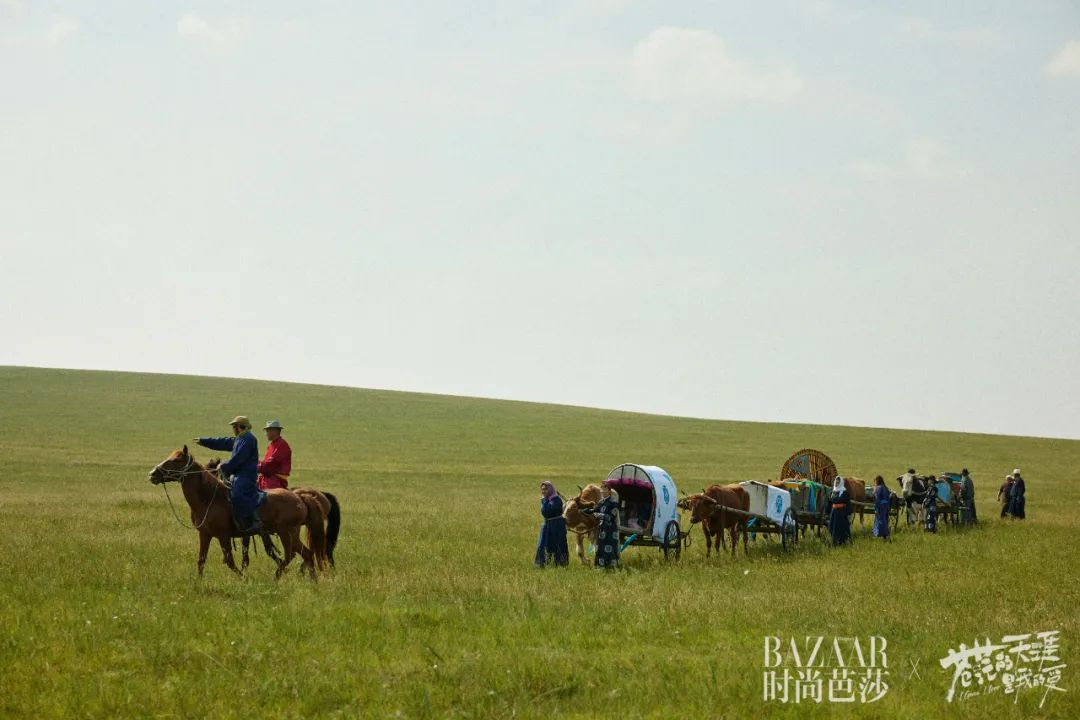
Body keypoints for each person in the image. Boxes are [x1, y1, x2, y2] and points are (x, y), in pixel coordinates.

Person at [195, 416, 264, 532]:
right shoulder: (239, 439)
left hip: (246, 475)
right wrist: (204, 441)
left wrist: (223, 465)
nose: (233, 429)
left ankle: (254, 520)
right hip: (237, 474)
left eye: (234, 426)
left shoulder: (248, 439)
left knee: (236, 494)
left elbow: (238, 459)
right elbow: (223, 442)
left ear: (240, 427)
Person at [583, 481, 620, 569]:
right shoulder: (601, 502)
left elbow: (611, 516)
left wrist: (600, 515)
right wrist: (583, 511)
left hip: (611, 529)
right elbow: (594, 510)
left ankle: (612, 566)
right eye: (601, 489)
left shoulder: (613, 503)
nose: (603, 491)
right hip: (602, 528)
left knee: (610, 546)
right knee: (601, 546)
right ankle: (601, 566)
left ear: (609, 491)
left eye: (605, 489)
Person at [534, 481, 569, 567]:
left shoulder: (556, 500)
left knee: (558, 543)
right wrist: (544, 501)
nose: (543, 491)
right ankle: (542, 563)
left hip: (557, 525)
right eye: (542, 490)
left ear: (550, 489)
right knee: (543, 543)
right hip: (547, 524)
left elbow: (546, 512)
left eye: (545, 489)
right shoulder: (547, 500)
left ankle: (560, 563)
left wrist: (543, 502)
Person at [257, 420, 292, 490]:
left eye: (268, 431)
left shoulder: (282, 445)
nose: (266, 434)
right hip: (269, 477)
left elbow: (270, 464)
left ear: (275, 431)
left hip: (275, 481)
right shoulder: (272, 445)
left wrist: (254, 467)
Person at [827, 477, 851, 545]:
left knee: (842, 528)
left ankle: (842, 542)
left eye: (838, 482)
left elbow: (847, 503)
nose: (836, 483)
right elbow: (830, 503)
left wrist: (847, 513)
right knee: (833, 527)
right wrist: (827, 512)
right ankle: (834, 542)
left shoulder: (844, 492)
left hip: (841, 513)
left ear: (841, 483)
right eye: (836, 482)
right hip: (834, 513)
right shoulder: (832, 491)